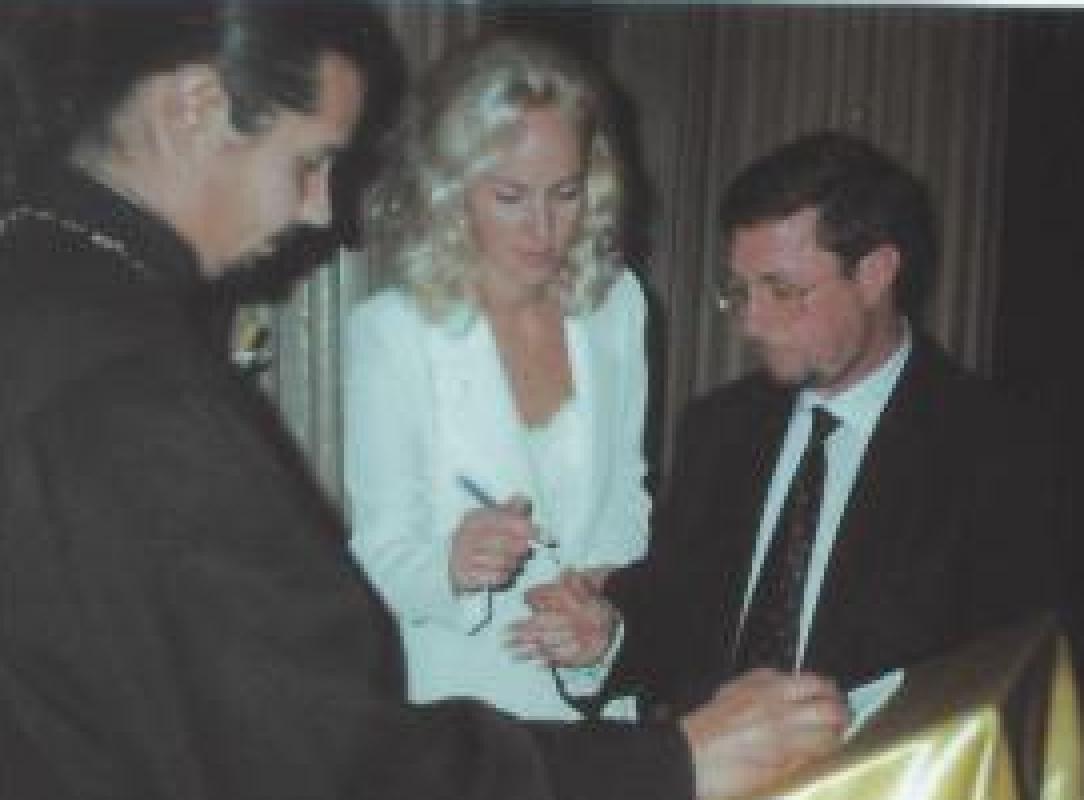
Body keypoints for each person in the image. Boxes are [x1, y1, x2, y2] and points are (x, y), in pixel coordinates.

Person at [0, 5, 847, 799]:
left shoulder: (52, 290)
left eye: (563, 192)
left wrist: (606, 625)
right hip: (466, 733)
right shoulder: (130, 381)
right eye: (308, 162)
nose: (324, 210)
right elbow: (327, 748)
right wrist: (675, 760)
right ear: (193, 107)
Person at [539, 131, 1060, 715]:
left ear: (875, 273)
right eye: (740, 291)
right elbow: (675, 623)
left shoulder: (995, 450)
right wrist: (607, 636)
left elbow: (1007, 686)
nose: (752, 323)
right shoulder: (716, 430)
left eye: (782, 291)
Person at [343, 35, 652, 722]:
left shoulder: (617, 305)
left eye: (566, 193)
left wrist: (599, 610)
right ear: (453, 190)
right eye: (511, 197)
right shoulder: (393, 332)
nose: (544, 229)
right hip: (463, 708)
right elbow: (382, 554)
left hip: (597, 694)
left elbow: (627, 497)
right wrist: (454, 564)